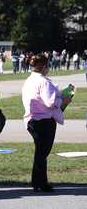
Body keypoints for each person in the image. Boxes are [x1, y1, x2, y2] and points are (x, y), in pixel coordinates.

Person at [22, 54, 72, 192]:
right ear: (44, 67)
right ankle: (40, 183)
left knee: (40, 152)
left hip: (32, 120)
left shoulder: (29, 80)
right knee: (42, 153)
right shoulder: (43, 81)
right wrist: (64, 100)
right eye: (48, 66)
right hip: (44, 121)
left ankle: (38, 182)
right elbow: (50, 102)